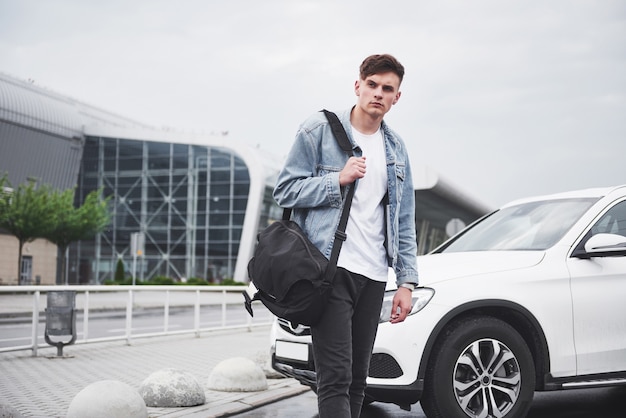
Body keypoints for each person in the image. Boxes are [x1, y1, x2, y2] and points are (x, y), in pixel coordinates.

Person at [273, 54, 419, 418]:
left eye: (387, 89)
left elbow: (404, 220)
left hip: (373, 276)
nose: (378, 94)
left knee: (357, 379)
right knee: (335, 376)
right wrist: (335, 179)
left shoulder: (396, 149)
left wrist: (407, 282)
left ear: (396, 97)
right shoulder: (318, 130)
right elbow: (285, 190)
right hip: (330, 269)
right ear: (358, 86)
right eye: (372, 85)